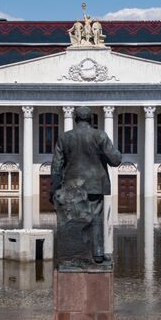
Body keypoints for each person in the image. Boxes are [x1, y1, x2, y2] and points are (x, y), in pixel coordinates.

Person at [51, 106, 122, 265]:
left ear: (76, 119)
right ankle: (97, 254)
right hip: (95, 184)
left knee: (73, 220)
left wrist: (54, 188)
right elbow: (115, 160)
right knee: (95, 217)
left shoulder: (64, 137)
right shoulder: (99, 136)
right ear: (91, 119)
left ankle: (72, 255)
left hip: (72, 186)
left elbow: (56, 165)